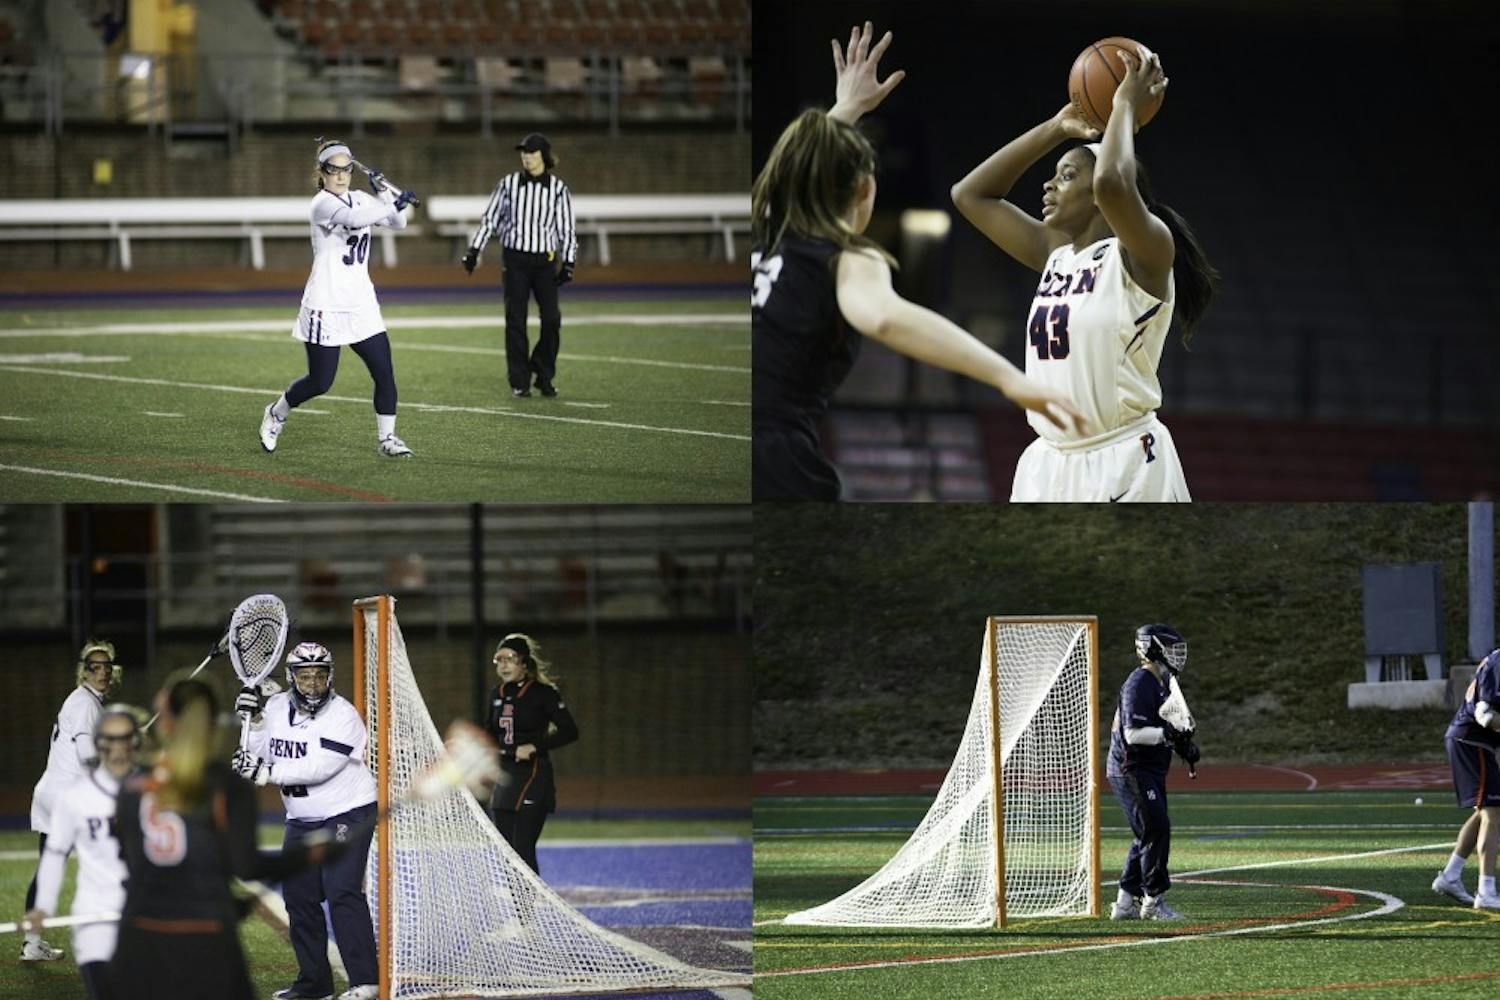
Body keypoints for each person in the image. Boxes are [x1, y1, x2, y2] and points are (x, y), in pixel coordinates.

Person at [751, 22, 1086, 501]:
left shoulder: (769, 231)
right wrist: (1008, 377)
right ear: (866, 189)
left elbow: (793, 174)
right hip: (775, 458)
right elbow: (885, 318)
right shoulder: (846, 256)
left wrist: (847, 107)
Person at [951, 43, 1218, 501]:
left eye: (1067, 175)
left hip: (1125, 459)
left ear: (1096, 195)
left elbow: (1114, 182)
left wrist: (1124, 109)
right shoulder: (1055, 253)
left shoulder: (1146, 253)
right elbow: (970, 195)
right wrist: (1055, 129)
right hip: (1048, 462)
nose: (1049, 183)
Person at [110, 675, 345, 1000]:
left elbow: (133, 863)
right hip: (206, 936)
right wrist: (311, 854)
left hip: (140, 937)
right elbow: (246, 866)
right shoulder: (227, 786)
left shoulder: (133, 787)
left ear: (165, 722)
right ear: (213, 723)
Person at [234, 641, 379, 1000]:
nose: (313, 682)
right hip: (301, 816)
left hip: (347, 809)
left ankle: (366, 980)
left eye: (319, 674)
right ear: (291, 677)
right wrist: (252, 723)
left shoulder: (343, 714)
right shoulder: (277, 705)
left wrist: (266, 772)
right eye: (304, 675)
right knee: (298, 897)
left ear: (329, 676)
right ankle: (314, 983)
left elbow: (320, 767)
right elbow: (257, 751)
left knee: (341, 889)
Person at [259, 137, 416, 458]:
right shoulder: (321, 203)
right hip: (325, 304)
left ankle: (387, 439)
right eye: (334, 169)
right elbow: (357, 221)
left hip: (361, 303)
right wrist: (391, 203)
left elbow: (399, 223)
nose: (341, 176)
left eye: (346, 169)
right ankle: (276, 412)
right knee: (320, 382)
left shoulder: (360, 197)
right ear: (322, 172)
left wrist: (385, 191)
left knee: (384, 372)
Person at [23, 704, 143, 999]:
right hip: (93, 918)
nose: (117, 749)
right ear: (99, 744)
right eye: (109, 740)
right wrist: (43, 906)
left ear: (136, 744)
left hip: (138, 916)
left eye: (124, 739)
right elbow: (54, 854)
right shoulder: (74, 797)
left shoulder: (149, 792)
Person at [23, 639, 121, 962]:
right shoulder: (86, 705)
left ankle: (32, 943)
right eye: (95, 667)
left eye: (107, 666)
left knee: (49, 869)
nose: (103, 672)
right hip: (67, 798)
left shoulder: (85, 702)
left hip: (53, 794)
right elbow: (88, 760)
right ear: (84, 673)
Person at [462, 133, 578, 399]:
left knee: (552, 319)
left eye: (532, 152)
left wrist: (569, 261)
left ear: (544, 156)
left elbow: (567, 229)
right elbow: (490, 219)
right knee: (515, 320)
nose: (526, 156)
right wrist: (474, 249)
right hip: (515, 260)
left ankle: (543, 372)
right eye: (524, 152)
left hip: (545, 261)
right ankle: (520, 380)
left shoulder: (559, 190)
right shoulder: (509, 184)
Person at [1105, 623, 1199, 921]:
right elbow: (1133, 734)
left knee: (1147, 831)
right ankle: (1152, 901)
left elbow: (1173, 725)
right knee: (1156, 829)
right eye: (1171, 649)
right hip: (1131, 768)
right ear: (1153, 648)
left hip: (1149, 769)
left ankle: (1123, 902)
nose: (1177, 656)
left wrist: (1183, 744)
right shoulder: (1139, 682)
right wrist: (1167, 735)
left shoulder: (1164, 682)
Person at [485, 634, 579, 875]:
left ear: (524, 663)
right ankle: (518, 909)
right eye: (499, 660)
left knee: (523, 848)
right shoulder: (497, 694)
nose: (504, 665)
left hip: (534, 776)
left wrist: (535, 747)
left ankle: (526, 913)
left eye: (510, 659)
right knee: (507, 852)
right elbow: (489, 735)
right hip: (505, 777)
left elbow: (570, 731)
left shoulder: (543, 693)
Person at [1434, 647, 1500, 909]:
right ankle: (1486, 890)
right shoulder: (1499, 662)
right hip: (1471, 739)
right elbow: (1484, 715)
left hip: (1481, 742)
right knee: (1493, 812)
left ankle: (1450, 875)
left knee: (1486, 810)